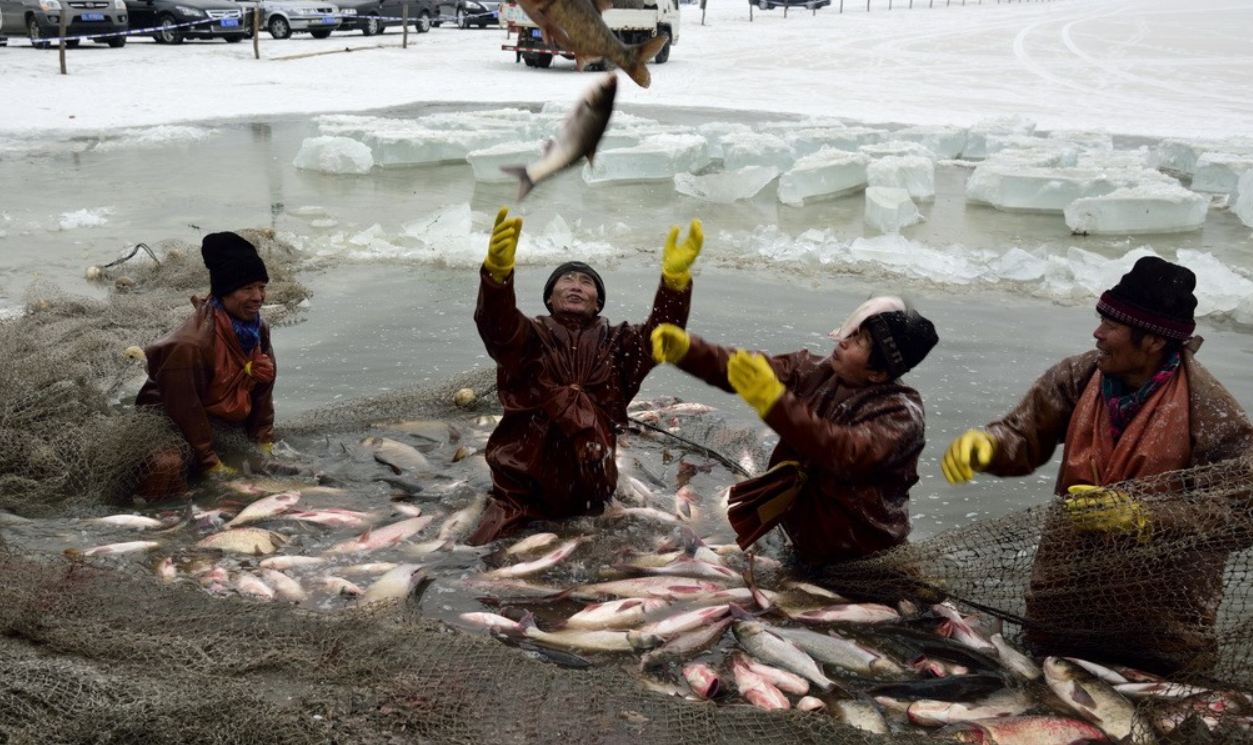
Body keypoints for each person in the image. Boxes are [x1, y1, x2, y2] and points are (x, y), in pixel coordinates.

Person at [941, 256, 1253, 675]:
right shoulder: (1077, 376)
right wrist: (989, 445)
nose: (1098, 333)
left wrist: (1145, 518)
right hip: (1061, 607)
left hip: (1158, 628)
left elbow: (1241, 511)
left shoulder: (1207, 406)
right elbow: (1023, 433)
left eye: (1112, 326)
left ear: (1154, 341)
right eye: (1100, 319)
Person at [467, 208, 704, 545]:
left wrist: (675, 284)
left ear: (598, 303)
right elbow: (495, 321)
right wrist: (496, 276)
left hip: (590, 492)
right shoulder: (526, 336)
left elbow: (662, 334)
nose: (576, 285)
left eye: (586, 282)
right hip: (521, 491)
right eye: (567, 279)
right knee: (482, 561)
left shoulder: (620, 341)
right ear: (550, 297)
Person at [651, 295, 939, 571]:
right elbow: (748, 369)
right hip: (803, 535)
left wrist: (775, 402)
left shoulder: (901, 416)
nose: (844, 340)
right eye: (853, 332)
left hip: (859, 548)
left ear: (878, 374)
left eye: (859, 342)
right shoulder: (815, 370)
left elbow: (841, 452)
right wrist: (690, 353)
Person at [132, 232, 279, 501]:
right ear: (224, 292)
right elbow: (185, 408)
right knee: (166, 466)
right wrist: (210, 462)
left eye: (262, 287)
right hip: (169, 421)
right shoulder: (191, 344)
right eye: (247, 288)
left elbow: (263, 391)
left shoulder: (258, 328)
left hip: (216, 418)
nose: (258, 297)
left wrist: (263, 440)